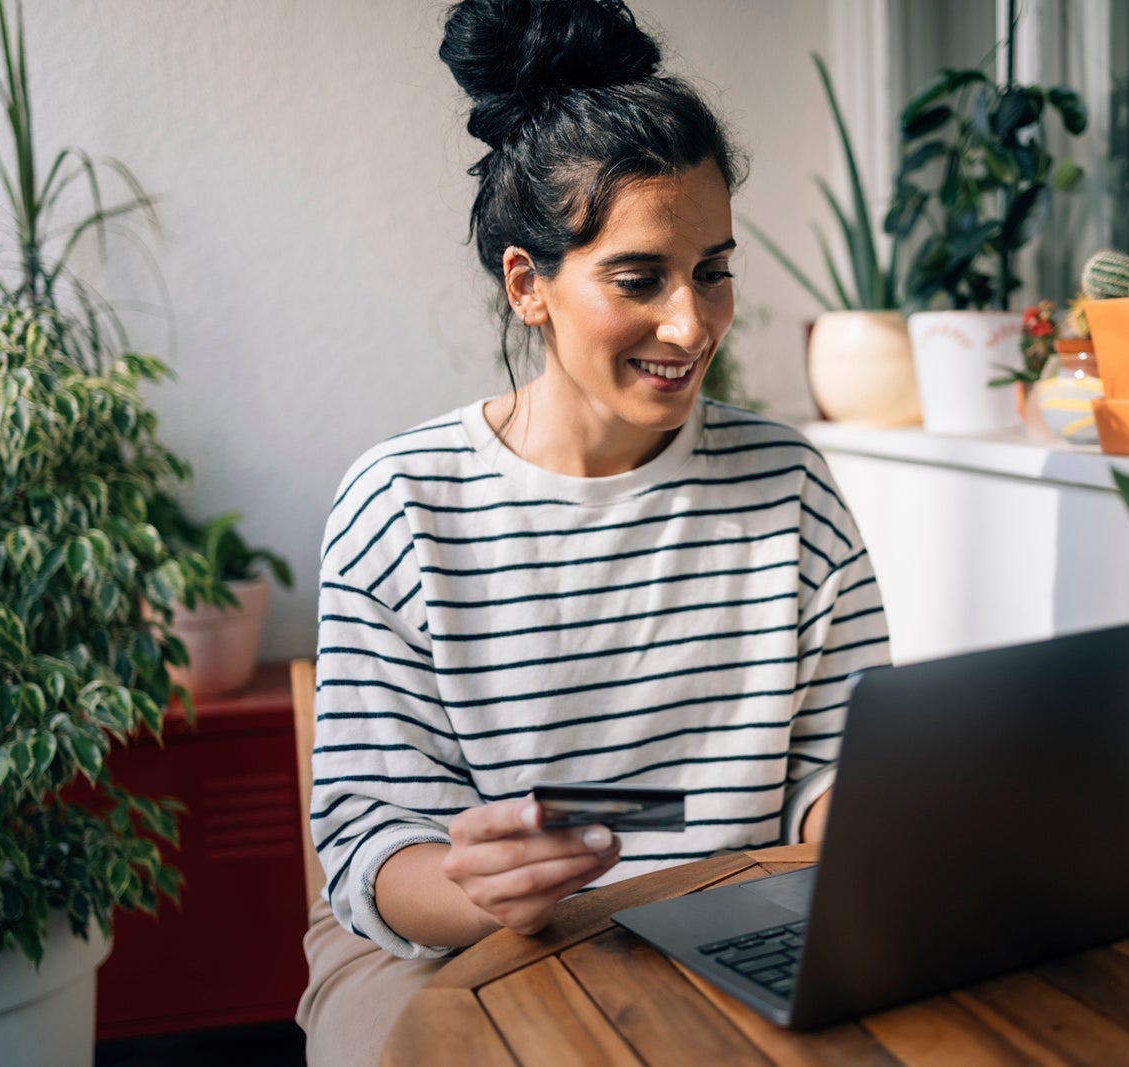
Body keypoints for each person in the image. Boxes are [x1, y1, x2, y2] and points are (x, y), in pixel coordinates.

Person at [295, 1, 890, 1061]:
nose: (691, 321)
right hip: (467, 952)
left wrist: (863, 822)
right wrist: (479, 886)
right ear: (528, 284)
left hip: (736, 932)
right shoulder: (402, 503)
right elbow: (371, 846)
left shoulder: (787, 482)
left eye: (712, 269)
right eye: (639, 276)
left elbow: (829, 764)